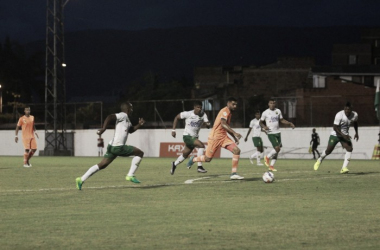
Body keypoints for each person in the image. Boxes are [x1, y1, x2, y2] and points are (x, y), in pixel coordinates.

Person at [75, 102, 145, 190]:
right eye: (131, 108)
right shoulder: (123, 115)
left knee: (102, 165)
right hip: (118, 147)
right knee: (140, 153)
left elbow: (130, 130)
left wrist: (139, 125)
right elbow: (110, 117)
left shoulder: (127, 120)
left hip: (112, 146)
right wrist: (104, 129)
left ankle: (81, 179)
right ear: (128, 109)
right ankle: (130, 175)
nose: (132, 110)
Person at [187, 97, 244, 180]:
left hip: (223, 137)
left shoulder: (229, 113)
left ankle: (233, 174)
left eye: (236, 104)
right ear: (228, 103)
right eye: (233, 104)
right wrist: (235, 133)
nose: (235, 106)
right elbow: (223, 124)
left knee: (237, 150)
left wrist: (234, 137)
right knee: (207, 159)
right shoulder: (225, 111)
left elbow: (225, 127)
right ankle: (193, 159)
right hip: (215, 137)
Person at [314, 102, 358, 174]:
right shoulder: (339, 115)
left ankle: (344, 168)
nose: (347, 111)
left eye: (348, 109)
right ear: (344, 109)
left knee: (349, 148)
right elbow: (335, 127)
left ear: (351, 109)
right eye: (345, 109)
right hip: (335, 135)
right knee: (328, 151)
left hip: (345, 135)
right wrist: (343, 135)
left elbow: (355, 122)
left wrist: (356, 133)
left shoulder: (355, 115)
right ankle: (320, 159)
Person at [170, 101, 211, 175]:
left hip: (194, 137)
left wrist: (207, 124)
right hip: (187, 136)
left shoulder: (203, 114)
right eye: (198, 107)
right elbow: (177, 117)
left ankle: (174, 164)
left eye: (200, 108)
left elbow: (208, 125)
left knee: (185, 155)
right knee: (201, 146)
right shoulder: (188, 114)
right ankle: (199, 166)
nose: (199, 109)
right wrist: (173, 130)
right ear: (194, 107)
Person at [259, 99, 295, 171]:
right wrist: (264, 127)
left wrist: (289, 123)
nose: (272, 104)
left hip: (277, 132)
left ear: (275, 104)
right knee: (277, 148)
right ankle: (267, 157)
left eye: (273, 103)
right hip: (271, 133)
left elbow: (282, 120)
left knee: (277, 150)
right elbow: (260, 122)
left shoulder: (278, 111)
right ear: (268, 104)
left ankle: (271, 166)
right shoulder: (265, 112)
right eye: (271, 103)